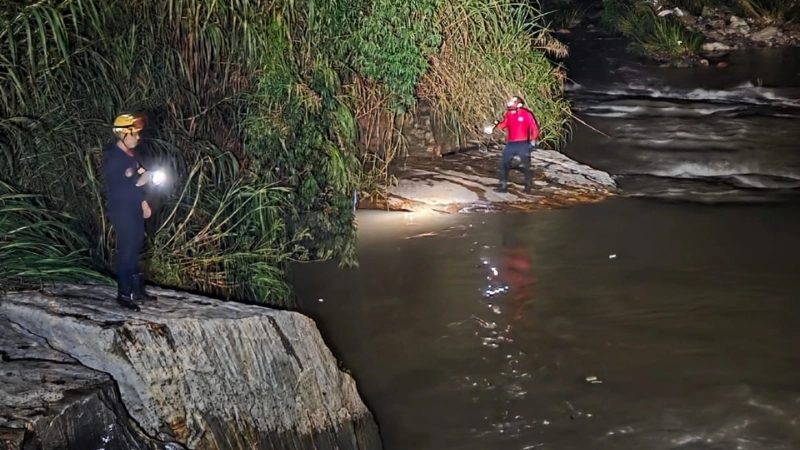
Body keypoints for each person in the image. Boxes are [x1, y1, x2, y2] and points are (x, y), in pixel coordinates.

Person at [102, 113, 157, 311]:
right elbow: (118, 187)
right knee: (126, 249)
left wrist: (143, 202)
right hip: (121, 209)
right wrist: (139, 182)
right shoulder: (114, 158)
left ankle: (137, 290)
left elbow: (138, 174)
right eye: (135, 134)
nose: (138, 137)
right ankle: (124, 294)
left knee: (136, 246)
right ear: (123, 134)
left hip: (133, 206)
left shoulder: (130, 154)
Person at [485, 96, 540, 193]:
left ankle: (528, 187)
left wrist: (533, 140)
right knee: (504, 163)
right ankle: (503, 187)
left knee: (526, 165)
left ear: (519, 106)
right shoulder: (509, 114)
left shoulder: (527, 114)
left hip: (523, 143)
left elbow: (534, 127)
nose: (512, 111)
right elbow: (504, 124)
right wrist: (494, 127)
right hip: (511, 143)